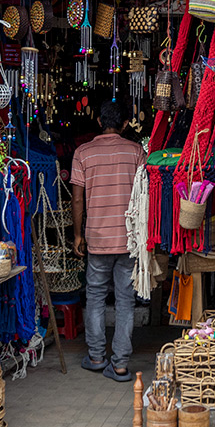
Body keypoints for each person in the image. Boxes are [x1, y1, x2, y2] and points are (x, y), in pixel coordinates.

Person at [71, 100, 145, 382]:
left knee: (95, 296)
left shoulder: (83, 153)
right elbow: (143, 195)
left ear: (100, 122)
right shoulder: (136, 151)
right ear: (126, 124)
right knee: (126, 300)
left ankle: (97, 356)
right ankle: (121, 364)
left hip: (98, 237)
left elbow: (78, 198)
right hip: (128, 239)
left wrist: (78, 234)